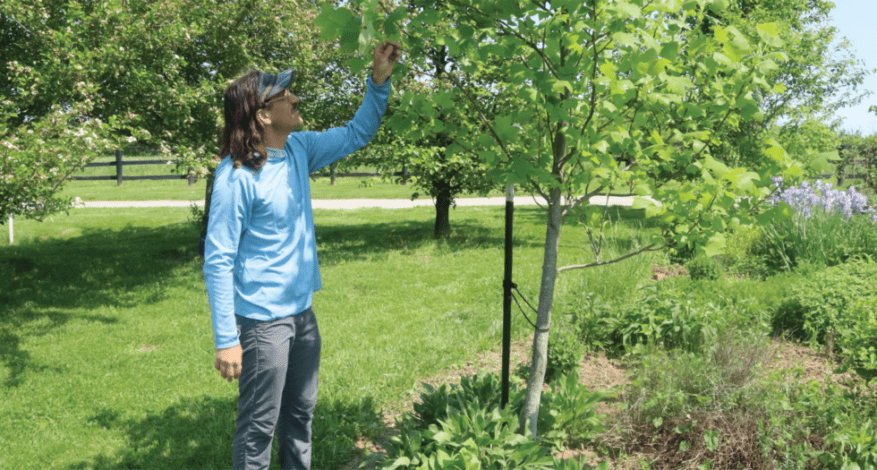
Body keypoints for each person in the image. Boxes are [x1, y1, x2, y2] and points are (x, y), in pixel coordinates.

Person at [202, 41, 401, 470]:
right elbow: (218, 259)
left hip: (302, 314)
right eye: (284, 95)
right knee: (259, 427)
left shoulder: (299, 149)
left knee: (300, 416)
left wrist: (379, 80)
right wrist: (226, 339)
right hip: (261, 322)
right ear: (263, 114)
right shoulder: (236, 176)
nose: (295, 98)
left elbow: (356, 133)